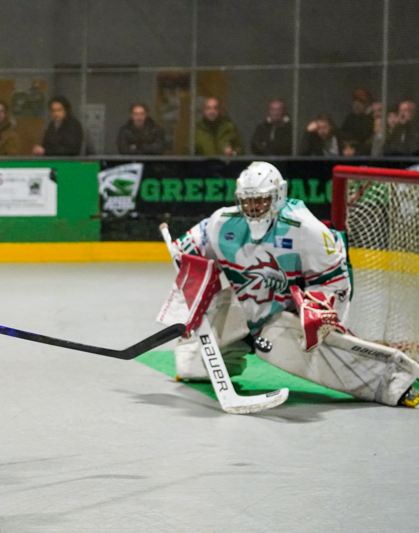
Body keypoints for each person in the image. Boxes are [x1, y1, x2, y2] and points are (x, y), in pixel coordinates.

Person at [165, 161, 419, 408]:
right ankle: (220, 355)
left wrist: (323, 320)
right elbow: (185, 254)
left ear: (278, 196)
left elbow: (335, 280)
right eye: (247, 200)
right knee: (191, 364)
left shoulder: (305, 228)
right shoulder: (221, 222)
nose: (253, 207)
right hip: (241, 307)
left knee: (325, 357)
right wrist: (191, 277)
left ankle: (395, 381)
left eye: (261, 199)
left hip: (282, 317)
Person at [339, 88, 374, 155]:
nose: (357, 104)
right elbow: (342, 135)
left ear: (367, 104)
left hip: (364, 155)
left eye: (361, 102)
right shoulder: (349, 118)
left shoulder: (370, 120)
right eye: (355, 101)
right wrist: (347, 147)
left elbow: (368, 141)